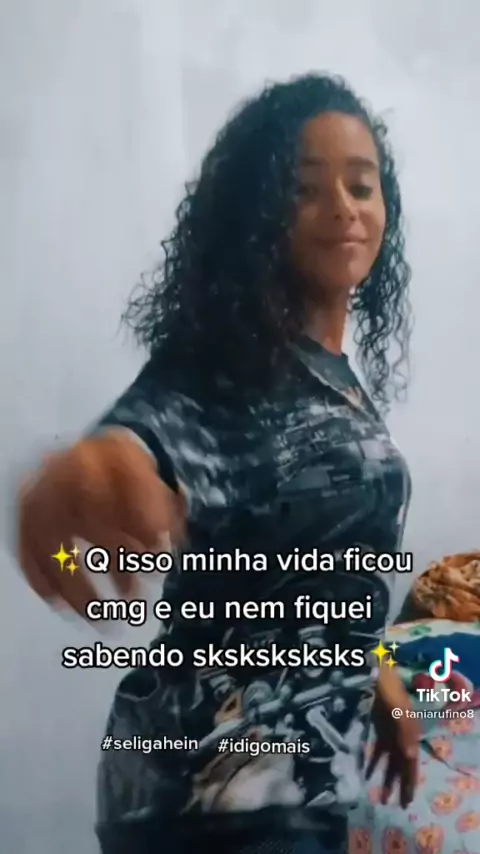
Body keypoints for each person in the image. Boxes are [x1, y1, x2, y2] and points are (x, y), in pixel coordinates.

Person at [17, 73, 420, 854]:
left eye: (361, 184)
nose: (343, 207)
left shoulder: (332, 380)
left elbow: (302, 576)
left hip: (272, 780)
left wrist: (377, 677)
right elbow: (156, 430)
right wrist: (95, 467)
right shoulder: (228, 365)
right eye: (306, 188)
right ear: (258, 216)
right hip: (223, 787)